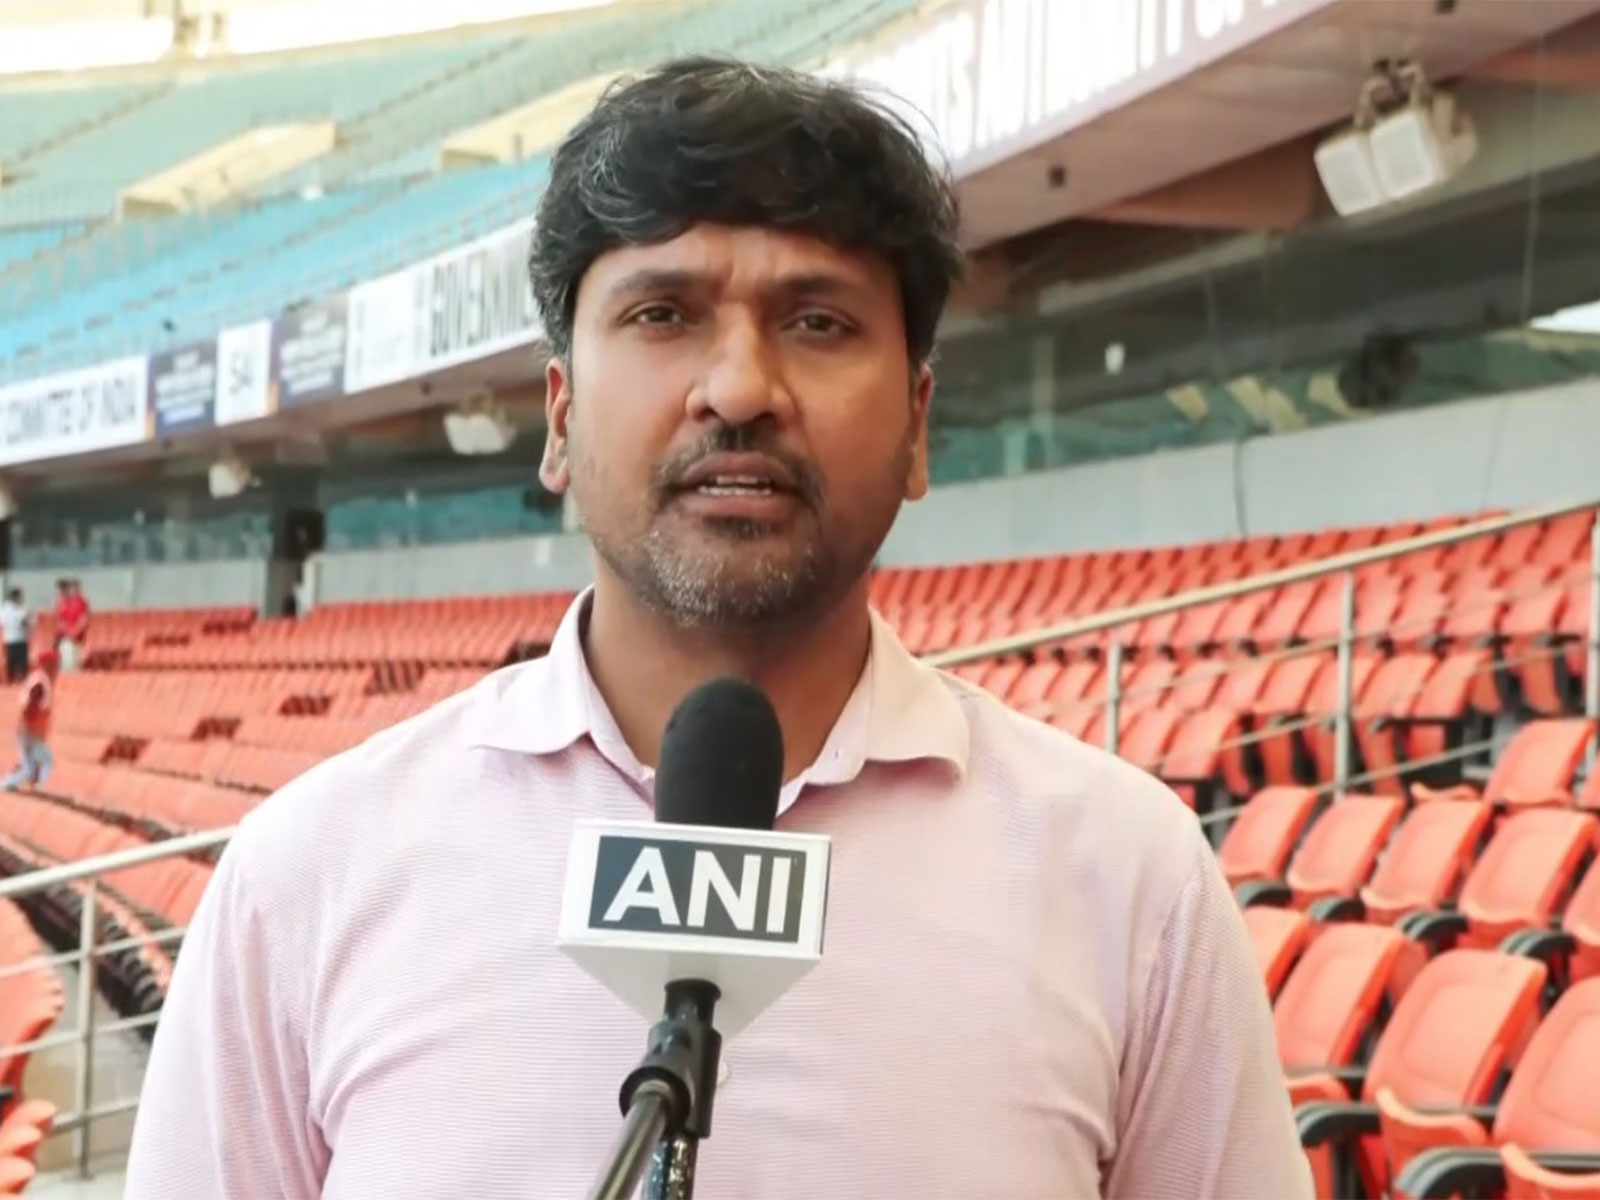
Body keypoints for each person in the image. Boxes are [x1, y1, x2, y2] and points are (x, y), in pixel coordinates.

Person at [126, 57, 1313, 1199]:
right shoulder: (310, 876)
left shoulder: (1127, 877)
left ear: (916, 427)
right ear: (557, 417)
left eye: (818, 323)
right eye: (662, 313)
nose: (739, 386)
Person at [3, 647, 56, 792]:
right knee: (45, 761)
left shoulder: (36, 678)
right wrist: (33, 731)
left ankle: (10, 785)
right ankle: (39, 788)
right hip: (30, 731)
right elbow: (31, 707)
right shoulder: (40, 681)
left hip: (27, 730)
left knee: (30, 768)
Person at [54, 578, 89, 673]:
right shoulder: (64, 602)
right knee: (66, 666)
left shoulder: (82, 602)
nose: (73, 591)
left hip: (78, 639)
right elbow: (61, 621)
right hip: (66, 638)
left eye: (74, 588)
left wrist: (75, 632)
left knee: (76, 666)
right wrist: (68, 633)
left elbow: (83, 619)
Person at [0, 589, 30, 684]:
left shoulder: (4, 609)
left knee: (13, 664)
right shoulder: (21, 609)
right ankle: (17, 682)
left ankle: (12, 683)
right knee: (20, 664)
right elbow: (25, 623)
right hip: (18, 640)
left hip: (11, 640)